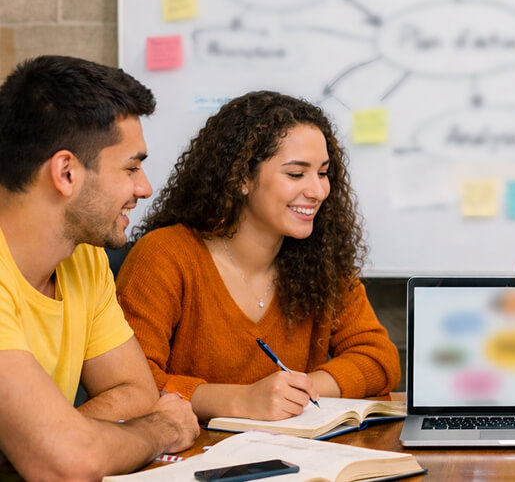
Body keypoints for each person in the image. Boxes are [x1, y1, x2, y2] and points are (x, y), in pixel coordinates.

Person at [116, 90, 401, 422]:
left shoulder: (320, 258)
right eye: (296, 174)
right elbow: (130, 384)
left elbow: (379, 358)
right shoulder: (165, 255)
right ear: (241, 178)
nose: (318, 190)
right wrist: (240, 400)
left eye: (323, 173)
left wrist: (304, 389)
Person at [0, 55, 199, 479]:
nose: (143, 188)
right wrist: (163, 428)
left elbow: (137, 392)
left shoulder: (83, 257)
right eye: (131, 167)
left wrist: (57, 434)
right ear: (66, 172)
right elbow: (69, 462)